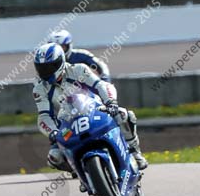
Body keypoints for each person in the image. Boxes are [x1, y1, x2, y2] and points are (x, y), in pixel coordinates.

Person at [32, 43, 147, 173]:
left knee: (124, 115)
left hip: (95, 112)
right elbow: (44, 116)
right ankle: (82, 172)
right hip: (67, 128)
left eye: (49, 67)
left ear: (60, 62)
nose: (46, 72)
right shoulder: (39, 89)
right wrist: (53, 132)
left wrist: (111, 102)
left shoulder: (78, 70)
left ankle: (135, 152)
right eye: (41, 68)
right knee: (54, 157)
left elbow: (101, 85)